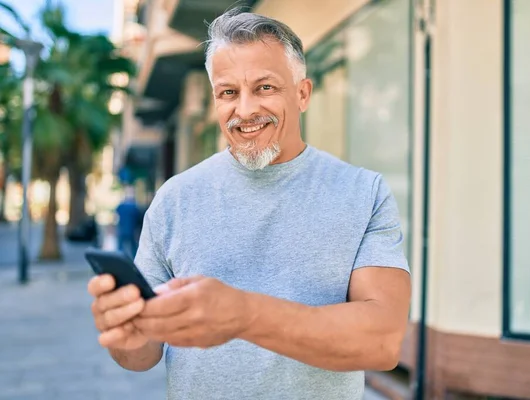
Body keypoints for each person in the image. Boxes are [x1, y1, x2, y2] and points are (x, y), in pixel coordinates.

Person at [87, 8, 411, 400]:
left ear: (303, 93)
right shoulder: (175, 199)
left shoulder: (364, 193)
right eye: (228, 92)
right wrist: (126, 332)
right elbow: (142, 356)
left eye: (265, 88)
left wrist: (243, 315)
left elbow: (382, 342)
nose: (244, 111)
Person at [115, 185, 142, 258]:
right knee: (133, 249)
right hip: (131, 230)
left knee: (121, 248)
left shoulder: (121, 206)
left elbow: (116, 217)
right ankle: (135, 262)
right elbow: (139, 220)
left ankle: (118, 260)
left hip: (124, 230)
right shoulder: (135, 207)